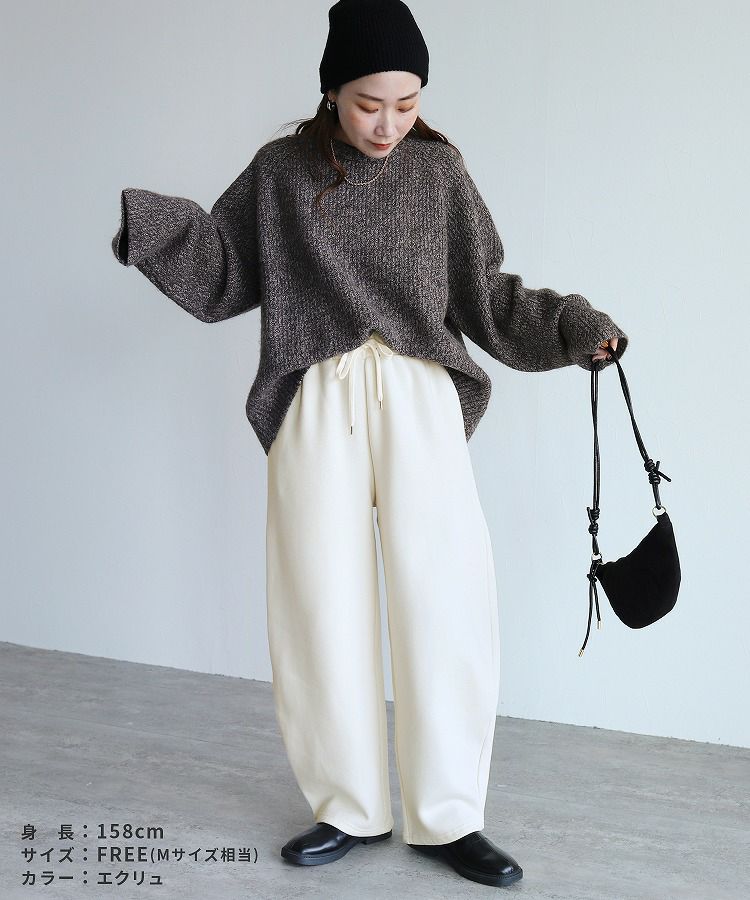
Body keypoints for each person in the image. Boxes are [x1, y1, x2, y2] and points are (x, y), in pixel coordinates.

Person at [111, 0, 627, 888]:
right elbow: (226, 271)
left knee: (447, 602)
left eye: (408, 103)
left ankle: (449, 816)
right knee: (319, 604)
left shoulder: (438, 172)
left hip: (420, 396)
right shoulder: (281, 172)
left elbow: (486, 295)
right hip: (318, 394)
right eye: (368, 104)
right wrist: (154, 225)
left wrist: (574, 326)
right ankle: (345, 806)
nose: (389, 124)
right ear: (330, 91)